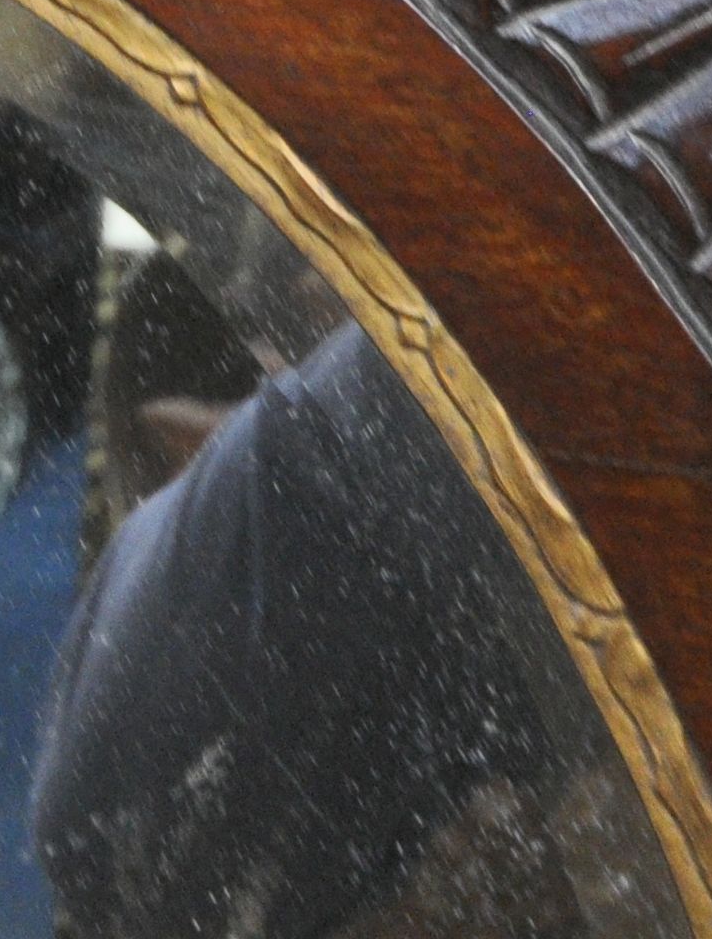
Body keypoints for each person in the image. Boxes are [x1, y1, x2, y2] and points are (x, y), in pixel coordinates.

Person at [31, 325, 594, 939]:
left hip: (452, 452)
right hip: (474, 506)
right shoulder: (91, 830)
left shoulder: (116, 842)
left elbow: (293, 482)